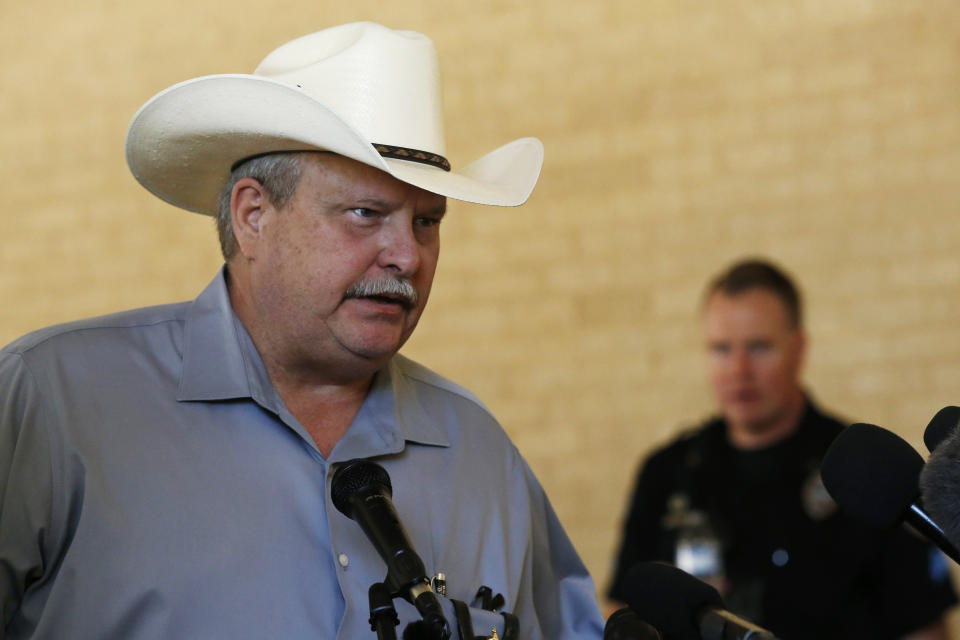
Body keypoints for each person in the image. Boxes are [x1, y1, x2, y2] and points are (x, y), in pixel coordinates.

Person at [0, 22, 604, 639]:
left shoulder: (477, 450)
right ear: (253, 215)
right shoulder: (54, 404)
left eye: (426, 221)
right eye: (365, 214)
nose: (407, 255)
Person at [607, 258, 957, 640]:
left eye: (758, 348)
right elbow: (619, 613)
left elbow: (925, 631)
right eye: (721, 349)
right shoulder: (667, 473)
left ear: (799, 349)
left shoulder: (864, 474)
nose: (739, 370)